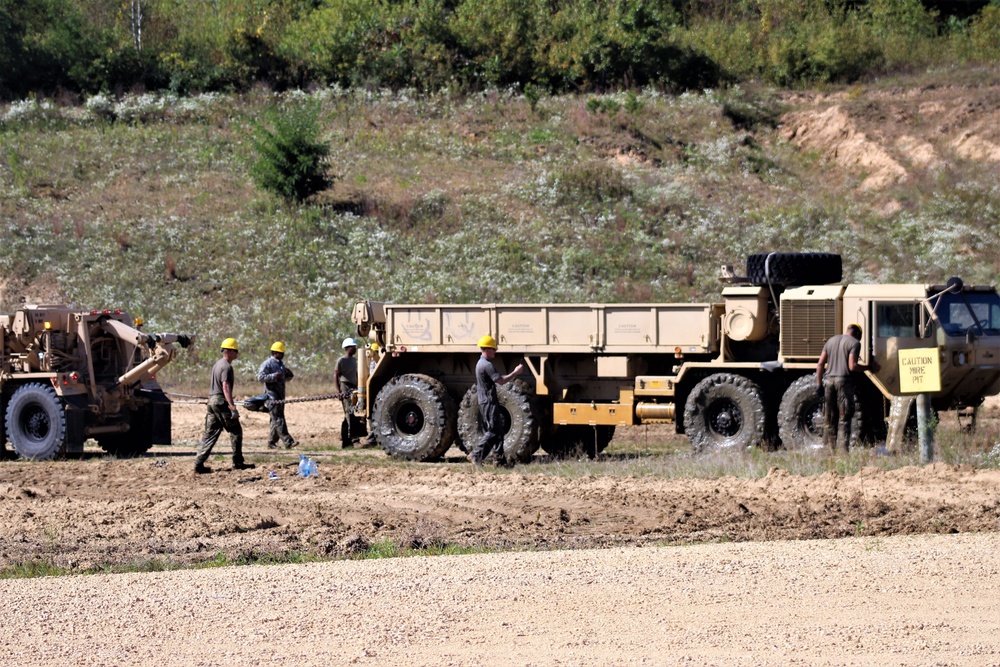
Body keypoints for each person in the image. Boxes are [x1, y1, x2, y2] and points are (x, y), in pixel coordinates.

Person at [194, 337, 254, 473]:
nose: (237, 353)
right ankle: (238, 462)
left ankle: (198, 464)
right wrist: (232, 406)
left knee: (210, 434)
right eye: (235, 351)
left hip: (212, 402)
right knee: (236, 431)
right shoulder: (226, 366)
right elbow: (225, 386)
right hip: (220, 401)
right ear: (227, 351)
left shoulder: (217, 364)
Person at [816, 323, 873, 453]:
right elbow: (852, 366)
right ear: (858, 334)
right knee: (844, 418)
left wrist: (818, 384)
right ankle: (843, 451)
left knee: (828, 418)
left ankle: (829, 450)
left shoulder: (830, 341)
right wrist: (868, 367)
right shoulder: (854, 343)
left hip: (828, 381)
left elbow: (820, 364)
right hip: (843, 382)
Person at [470, 334, 524, 466]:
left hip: (487, 400)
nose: (495, 352)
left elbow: (498, 378)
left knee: (498, 431)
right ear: (487, 349)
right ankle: (476, 454)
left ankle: (500, 461)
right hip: (488, 401)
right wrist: (515, 373)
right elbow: (501, 381)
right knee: (493, 431)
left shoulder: (481, 363)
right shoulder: (486, 365)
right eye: (493, 349)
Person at [257, 341, 298, 450]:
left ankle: (271, 442)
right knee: (278, 418)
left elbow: (286, 377)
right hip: (271, 396)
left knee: (275, 419)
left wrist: (287, 374)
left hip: (280, 396)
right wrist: (274, 376)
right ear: (275, 353)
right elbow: (260, 377)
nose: (282, 355)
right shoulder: (268, 363)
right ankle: (288, 441)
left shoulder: (280, 364)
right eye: (281, 353)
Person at [334, 337, 365, 447]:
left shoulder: (354, 361)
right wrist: (339, 391)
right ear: (347, 348)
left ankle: (346, 441)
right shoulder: (341, 361)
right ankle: (354, 440)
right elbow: (336, 375)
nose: (355, 349)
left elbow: (356, 374)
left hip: (353, 387)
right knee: (349, 413)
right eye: (353, 347)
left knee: (351, 413)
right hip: (345, 387)